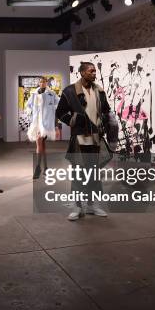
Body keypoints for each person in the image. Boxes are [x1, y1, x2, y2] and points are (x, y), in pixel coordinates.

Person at [56, 62, 111, 220]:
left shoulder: (99, 90)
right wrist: (73, 120)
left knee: (94, 173)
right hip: (79, 139)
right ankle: (77, 207)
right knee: (79, 173)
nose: (94, 73)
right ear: (81, 73)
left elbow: (106, 110)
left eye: (95, 71)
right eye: (91, 71)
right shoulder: (70, 91)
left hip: (95, 139)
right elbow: (60, 112)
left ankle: (93, 205)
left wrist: (105, 122)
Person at [25, 76, 59, 179]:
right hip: (36, 123)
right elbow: (28, 105)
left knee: (39, 143)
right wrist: (30, 113)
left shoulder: (52, 94)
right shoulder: (34, 94)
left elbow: (57, 107)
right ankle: (46, 168)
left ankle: (38, 167)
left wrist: (56, 124)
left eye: (44, 82)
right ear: (39, 83)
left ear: (47, 83)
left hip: (46, 123)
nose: (42, 83)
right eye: (41, 82)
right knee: (42, 146)